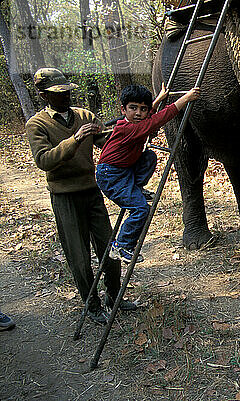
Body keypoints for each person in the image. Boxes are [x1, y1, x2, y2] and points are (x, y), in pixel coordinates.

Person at [26, 68, 137, 325]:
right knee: (79, 255)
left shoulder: (84, 115)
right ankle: (92, 304)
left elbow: (107, 141)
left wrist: (136, 127)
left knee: (109, 247)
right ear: (44, 96)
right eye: (58, 93)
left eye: (67, 91)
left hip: (91, 191)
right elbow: (44, 160)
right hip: (65, 196)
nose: (65, 97)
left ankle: (113, 296)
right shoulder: (37, 124)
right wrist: (75, 139)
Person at [96, 84, 201, 264]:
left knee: (149, 156)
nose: (138, 113)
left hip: (125, 170)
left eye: (143, 109)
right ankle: (121, 245)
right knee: (140, 209)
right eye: (133, 108)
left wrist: (159, 98)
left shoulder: (135, 123)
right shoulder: (128, 128)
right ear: (123, 109)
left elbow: (150, 116)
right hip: (111, 175)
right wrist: (185, 98)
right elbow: (158, 119)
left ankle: (136, 187)